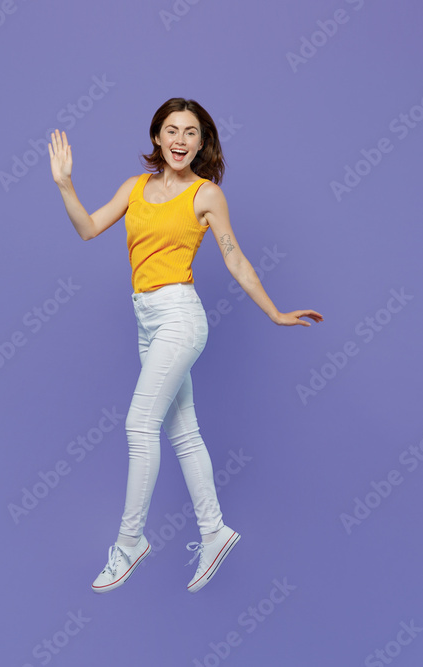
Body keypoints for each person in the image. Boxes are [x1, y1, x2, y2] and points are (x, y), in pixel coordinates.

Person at [48, 98, 323, 594]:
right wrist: (66, 184)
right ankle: (214, 531)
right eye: (171, 130)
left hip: (179, 316)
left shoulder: (205, 194)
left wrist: (275, 312)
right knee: (184, 433)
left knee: (139, 425)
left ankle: (129, 542)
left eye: (190, 132)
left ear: (201, 142)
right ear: (157, 137)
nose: (180, 139)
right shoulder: (133, 188)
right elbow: (88, 229)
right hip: (146, 318)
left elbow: (235, 259)